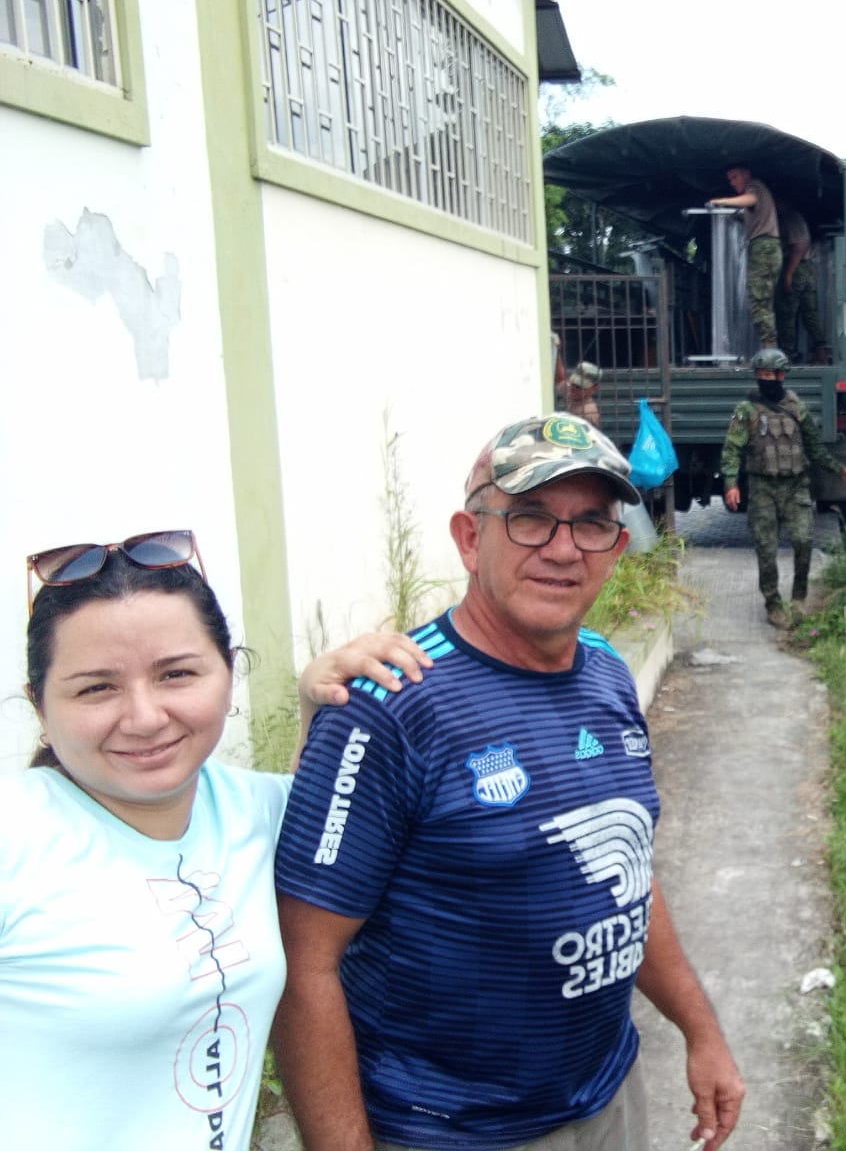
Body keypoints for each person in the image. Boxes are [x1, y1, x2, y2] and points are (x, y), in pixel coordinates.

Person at [272, 413, 744, 1151]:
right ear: (470, 538)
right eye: (530, 517)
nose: (563, 549)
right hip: (453, 1131)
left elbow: (628, 875)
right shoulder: (391, 706)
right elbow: (304, 966)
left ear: (617, 548)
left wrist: (701, 1030)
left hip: (609, 1099)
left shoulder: (607, 674)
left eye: (592, 523)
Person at [0, 529, 426, 1151]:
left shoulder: (259, 811)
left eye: (176, 674)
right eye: (96, 687)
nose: (145, 717)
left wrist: (320, 709)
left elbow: (335, 820)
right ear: (40, 706)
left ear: (229, 672)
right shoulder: (16, 835)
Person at [721, 348, 846, 627]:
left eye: (771, 374)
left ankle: (799, 598)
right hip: (762, 487)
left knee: (803, 540)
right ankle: (773, 603)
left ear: (782, 376)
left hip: (796, 486)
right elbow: (731, 449)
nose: (767, 380)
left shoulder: (797, 407)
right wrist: (731, 483)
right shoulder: (746, 410)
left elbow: (814, 447)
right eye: (762, 375)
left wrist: (839, 469)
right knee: (766, 548)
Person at [708, 163, 781, 353]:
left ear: (747, 174)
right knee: (762, 300)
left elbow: (750, 199)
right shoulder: (759, 197)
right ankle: (770, 348)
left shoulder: (755, 187)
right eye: (729, 179)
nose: (732, 182)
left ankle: (770, 351)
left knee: (759, 301)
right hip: (766, 247)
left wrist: (722, 201)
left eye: (735, 177)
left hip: (764, 247)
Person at [776, 203, 829, 363]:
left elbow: (799, 244)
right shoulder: (796, 217)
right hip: (807, 267)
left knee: (788, 313)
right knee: (809, 312)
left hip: (797, 267)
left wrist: (789, 273)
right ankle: (821, 350)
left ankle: (787, 354)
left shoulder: (791, 218)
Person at [556, 355, 604, 429]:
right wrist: (557, 353)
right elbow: (560, 379)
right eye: (573, 383)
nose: (573, 389)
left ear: (594, 388)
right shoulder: (571, 391)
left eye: (579, 387)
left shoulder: (588, 413)